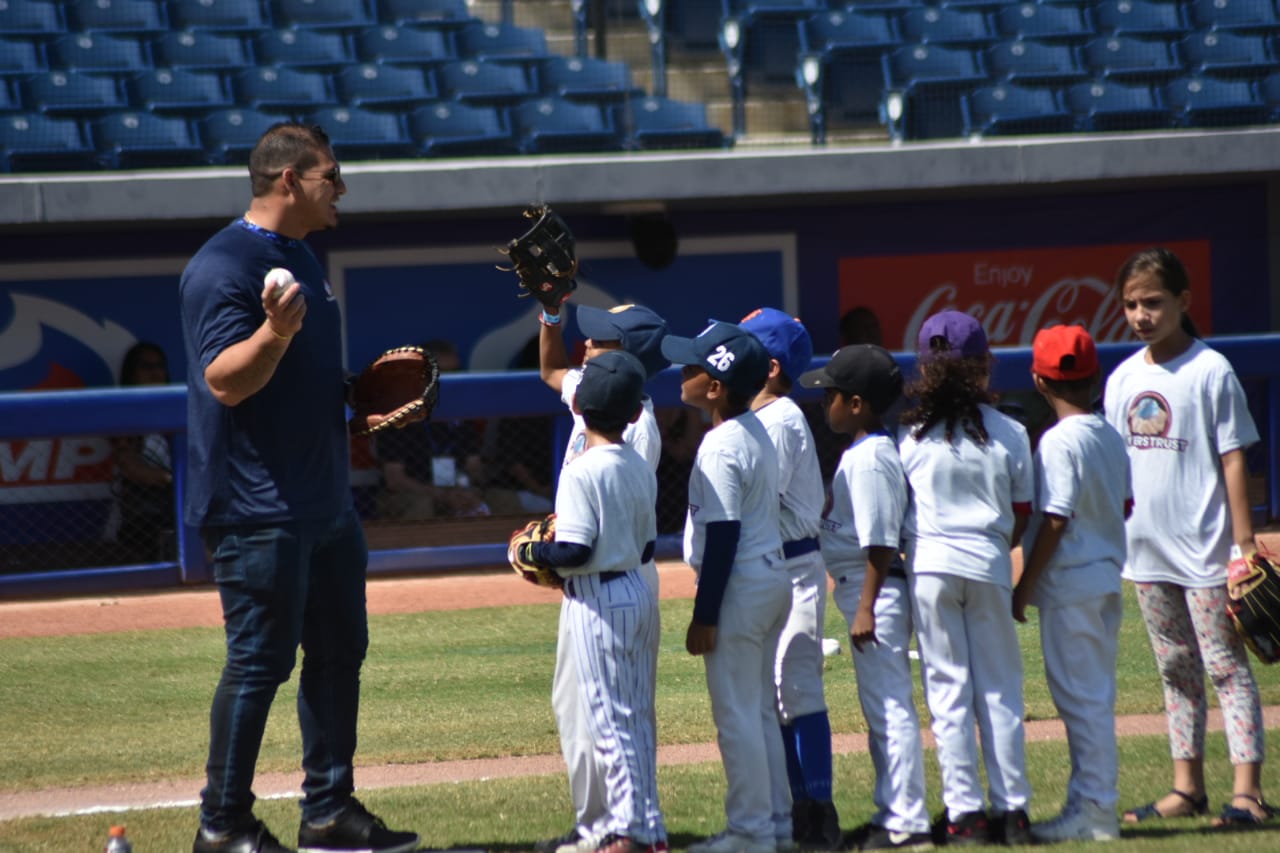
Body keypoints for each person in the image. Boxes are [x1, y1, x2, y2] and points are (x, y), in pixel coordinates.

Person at [179, 122, 419, 853]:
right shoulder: (223, 265)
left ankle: (328, 811)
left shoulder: (302, 258)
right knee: (259, 663)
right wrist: (276, 336)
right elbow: (224, 379)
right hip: (257, 508)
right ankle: (222, 824)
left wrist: (354, 395)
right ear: (290, 180)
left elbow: (290, 381)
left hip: (323, 502)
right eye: (330, 174)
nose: (340, 187)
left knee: (340, 650)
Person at [1104, 247, 1272, 829]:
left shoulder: (1210, 370)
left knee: (1225, 668)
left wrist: (1244, 544)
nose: (1142, 314)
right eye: (1130, 304)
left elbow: (1233, 459)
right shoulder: (1124, 377)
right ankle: (1187, 786)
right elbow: (1113, 465)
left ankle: (1247, 792)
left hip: (1205, 550)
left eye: (1153, 301)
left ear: (1183, 301)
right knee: (1176, 669)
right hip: (1145, 550)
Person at [517, 349, 667, 853]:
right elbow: (647, 545)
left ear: (579, 404)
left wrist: (530, 551)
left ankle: (625, 833)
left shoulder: (581, 470)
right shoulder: (638, 462)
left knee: (609, 723)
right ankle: (647, 828)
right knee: (636, 721)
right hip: (638, 591)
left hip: (599, 602)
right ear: (632, 413)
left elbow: (575, 550)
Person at [896, 310, 1034, 847]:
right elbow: (1021, 514)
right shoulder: (1011, 431)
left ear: (925, 371)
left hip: (929, 566)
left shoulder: (909, 437)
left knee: (948, 694)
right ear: (985, 366)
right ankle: (1014, 813)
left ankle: (965, 815)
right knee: (999, 690)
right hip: (988, 561)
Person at [661, 321, 792, 853]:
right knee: (758, 708)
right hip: (769, 577)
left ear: (715, 387)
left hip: (739, 585)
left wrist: (704, 613)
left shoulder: (719, 445)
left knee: (737, 715)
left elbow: (722, 536)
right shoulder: (754, 428)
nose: (682, 372)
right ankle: (776, 824)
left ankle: (750, 832)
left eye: (692, 367)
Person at [798, 345, 932, 851]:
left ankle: (908, 822)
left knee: (890, 709)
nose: (824, 402)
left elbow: (881, 542)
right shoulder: (863, 450)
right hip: (866, 589)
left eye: (831, 394)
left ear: (856, 403)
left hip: (877, 591)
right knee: (880, 710)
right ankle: (890, 813)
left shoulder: (873, 457)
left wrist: (866, 607)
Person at [1013, 325, 1131, 843]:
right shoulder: (1108, 431)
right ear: (1095, 376)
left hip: (1073, 584)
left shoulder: (1058, 441)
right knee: (1092, 700)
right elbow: (1124, 506)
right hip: (1105, 575)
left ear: (1039, 381)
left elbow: (1056, 519)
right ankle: (1089, 803)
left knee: (1081, 703)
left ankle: (1097, 811)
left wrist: (1024, 586)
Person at [739, 308, 839, 849]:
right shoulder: (759, 416)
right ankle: (795, 805)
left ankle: (818, 809)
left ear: (771, 366)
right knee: (775, 694)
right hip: (775, 563)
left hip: (796, 565)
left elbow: (755, 497)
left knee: (797, 688)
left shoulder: (779, 417)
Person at [374, 338, 489, 521]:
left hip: (458, 490)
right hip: (412, 494)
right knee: (422, 505)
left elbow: (474, 466)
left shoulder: (462, 413)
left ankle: (513, 548)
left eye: (456, 371)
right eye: (442, 373)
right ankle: (419, 551)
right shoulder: (398, 414)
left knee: (503, 499)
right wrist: (441, 495)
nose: (450, 379)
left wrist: (470, 490)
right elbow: (395, 480)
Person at [107, 341, 176, 564]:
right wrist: (172, 479)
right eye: (146, 367)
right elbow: (130, 467)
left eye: (159, 366)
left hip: (180, 501)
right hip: (142, 513)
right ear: (132, 373)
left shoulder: (176, 406)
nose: (155, 373)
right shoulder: (123, 412)